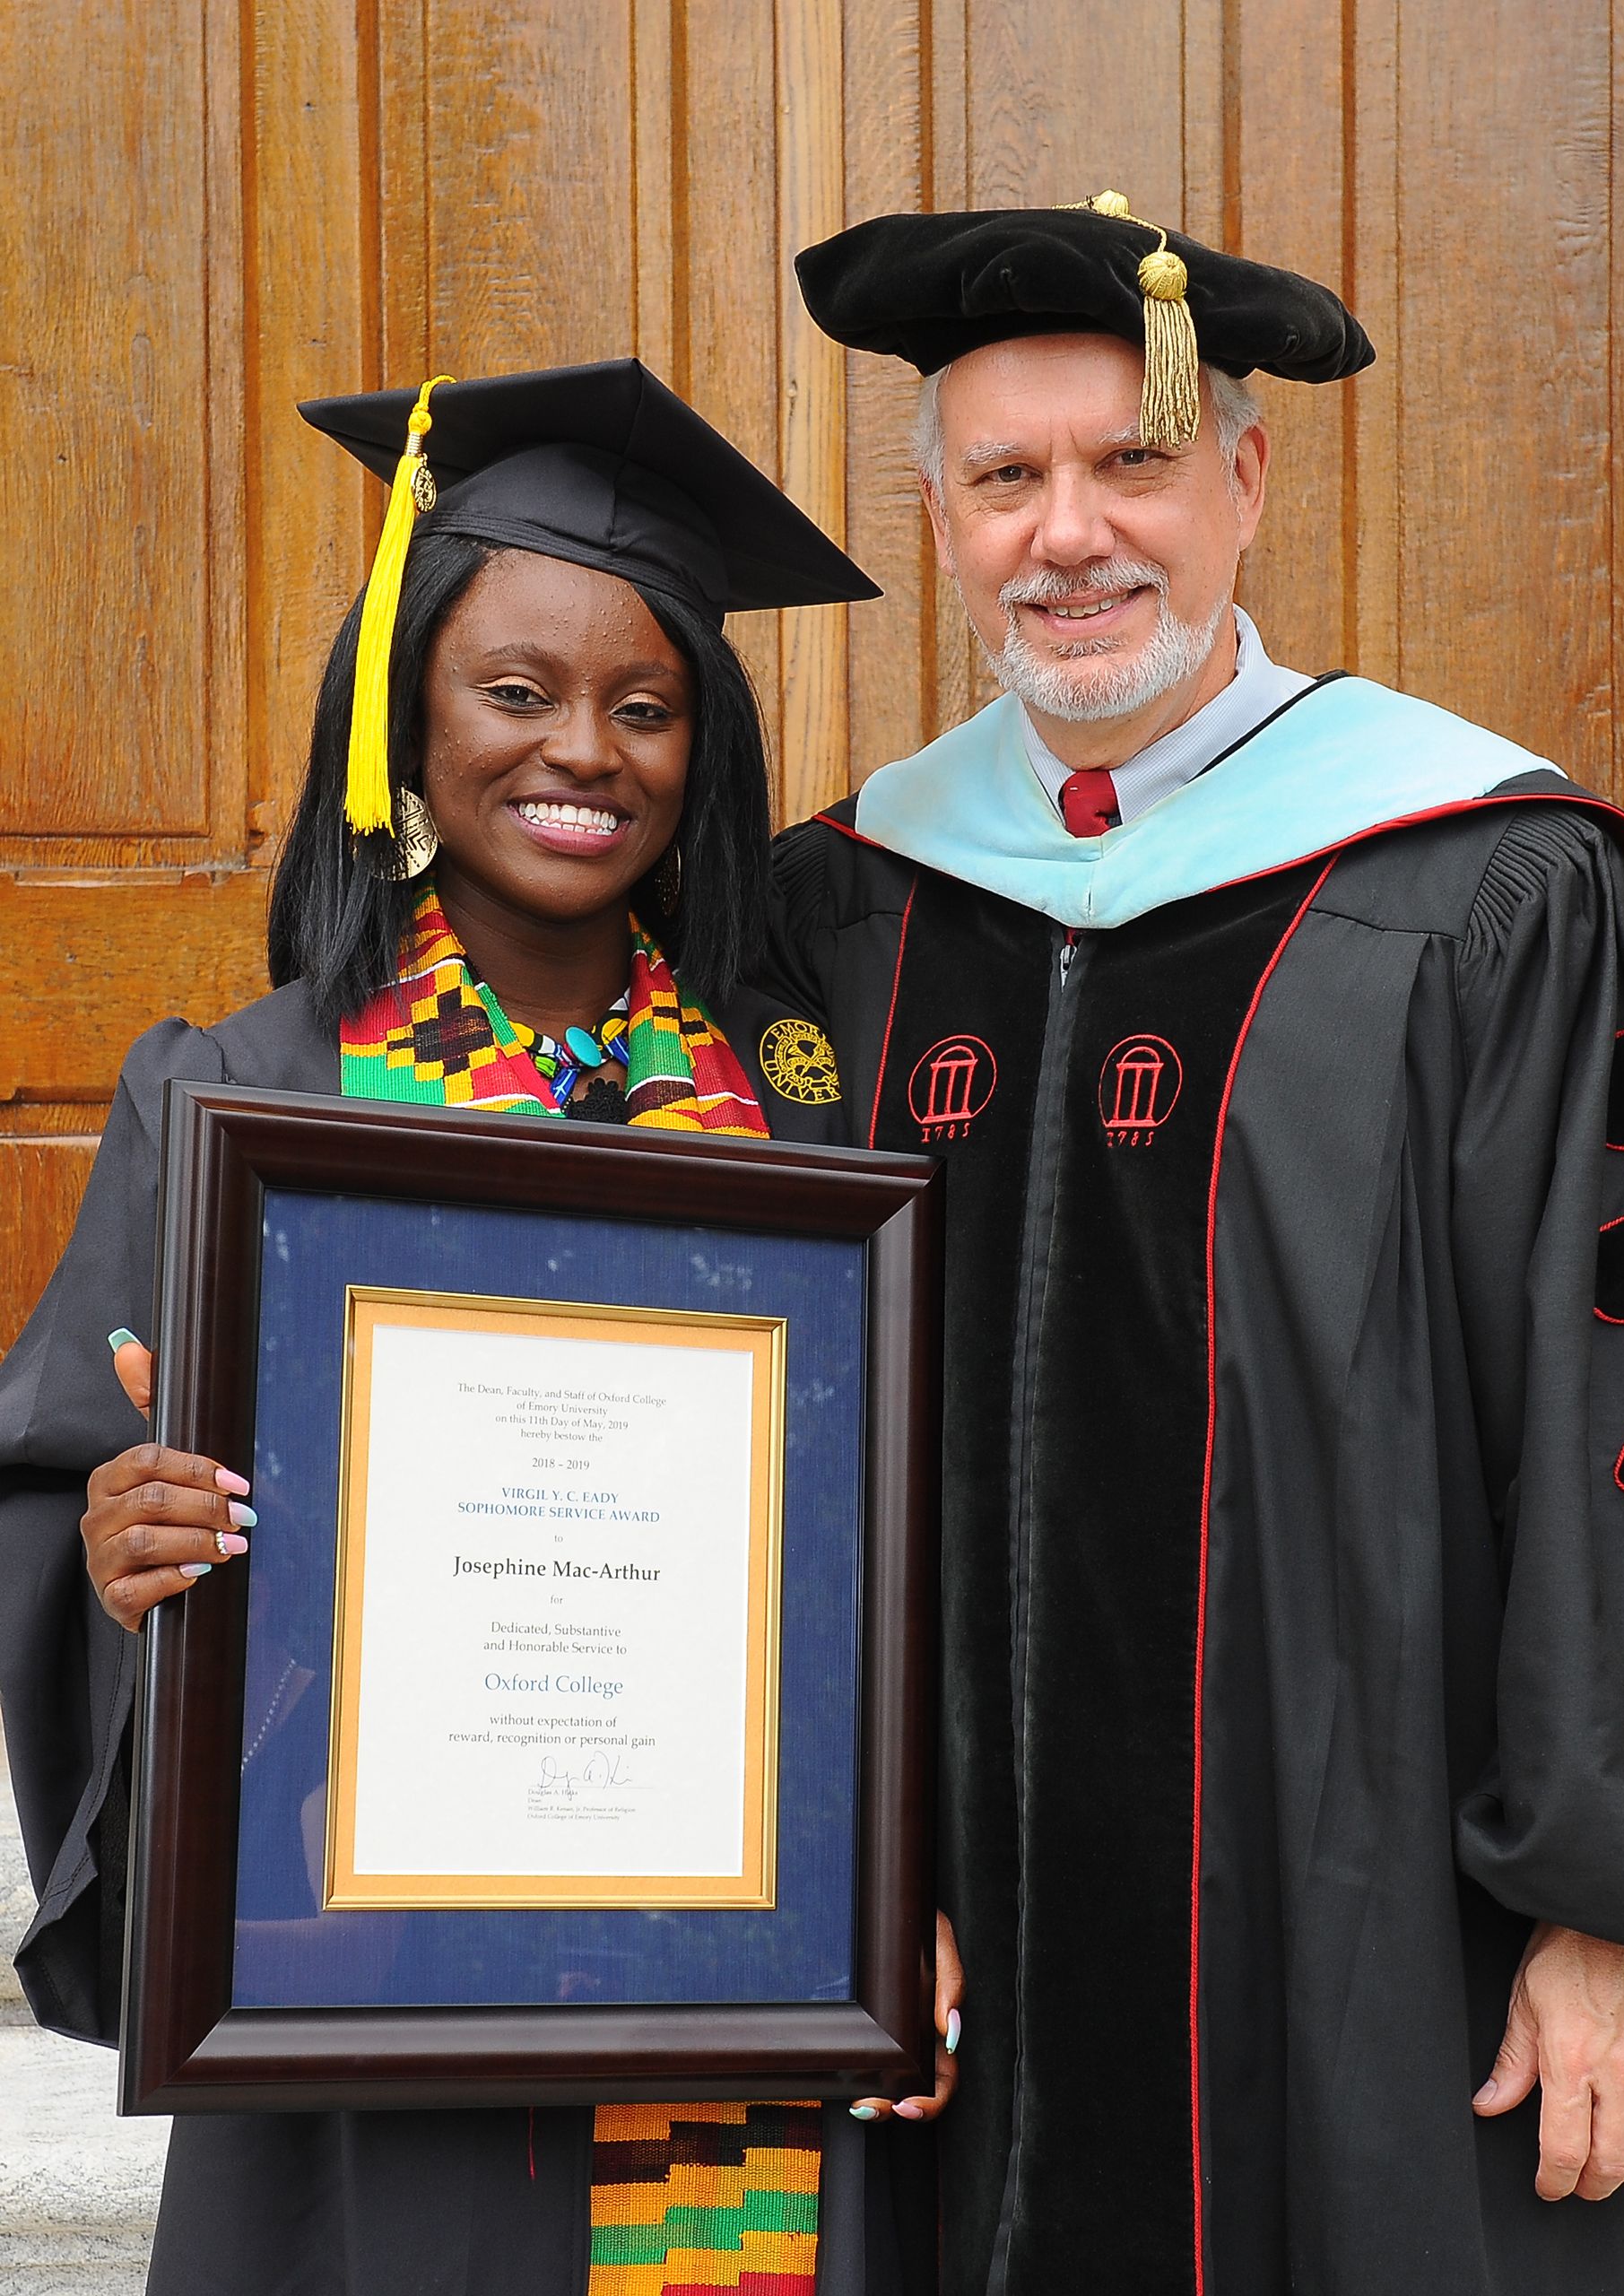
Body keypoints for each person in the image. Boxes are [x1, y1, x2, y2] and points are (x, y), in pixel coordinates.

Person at [755, 192, 1624, 2294]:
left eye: (1128, 462)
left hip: (1391, 1963)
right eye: (1006, 477)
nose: (1069, 533)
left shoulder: (1494, 886)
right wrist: (811, 1866)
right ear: (944, 515)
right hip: (945, 1967)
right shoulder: (835, 909)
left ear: (1240, 479)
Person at [0, 358, 939, 2294]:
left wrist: (907, 1869)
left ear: (705, 750)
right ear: (407, 721)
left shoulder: (795, 1120)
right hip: (358, 1979)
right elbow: (64, 1502)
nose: (580, 750)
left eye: (645, 703)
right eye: (516, 691)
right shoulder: (250, 1094)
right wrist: (121, 1567)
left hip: (724, 1996)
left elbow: (892, 1556)